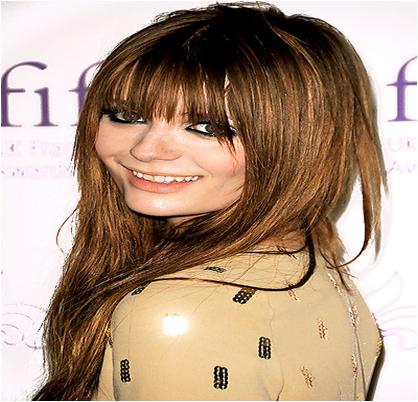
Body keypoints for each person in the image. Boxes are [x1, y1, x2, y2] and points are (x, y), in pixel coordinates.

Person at [33, 2, 387, 400]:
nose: (146, 150)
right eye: (127, 116)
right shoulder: (310, 257)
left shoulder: (176, 314)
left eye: (206, 127)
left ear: (294, 145)